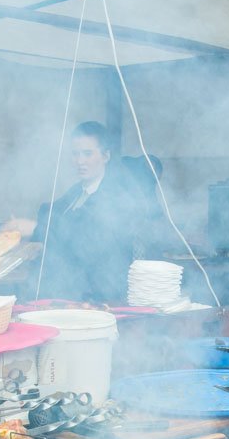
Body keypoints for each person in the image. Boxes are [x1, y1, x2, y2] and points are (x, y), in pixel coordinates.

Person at [14, 122, 150, 304]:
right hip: (68, 293)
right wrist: (34, 237)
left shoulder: (117, 194)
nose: (80, 161)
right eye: (75, 154)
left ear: (105, 156)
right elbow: (53, 213)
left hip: (101, 297)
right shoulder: (76, 192)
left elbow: (86, 235)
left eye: (87, 154)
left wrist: (36, 228)